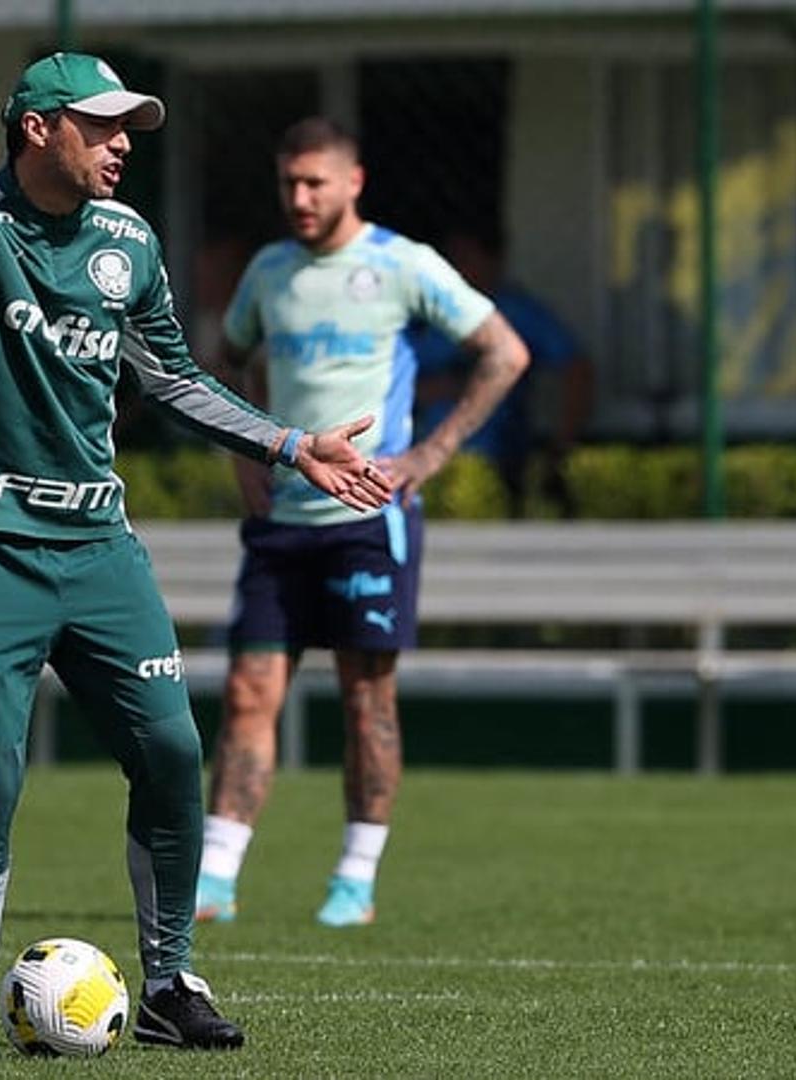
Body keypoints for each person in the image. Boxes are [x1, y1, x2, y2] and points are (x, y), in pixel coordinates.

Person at [0, 29, 394, 1056]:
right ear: (36, 129)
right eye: (103, 126)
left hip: (97, 549)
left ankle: (171, 980)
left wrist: (291, 442)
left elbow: (173, 374)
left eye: (131, 127)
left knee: (173, 753)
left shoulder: (126, 240)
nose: (125, 143)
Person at [193, 118, 528, 930]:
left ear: (354, 183)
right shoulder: (269, 272)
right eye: (288, 184)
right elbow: (226, 363)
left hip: (369, 523)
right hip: (282, 522)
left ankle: (354, 878)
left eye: (315, 182)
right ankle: (214, 878)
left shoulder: (401, 264)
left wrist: (430, 455)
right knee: (247, 691)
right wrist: (249, 460)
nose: (300, 199)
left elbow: (504, 353)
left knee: (365, 697)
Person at [411, 224, 593, 517]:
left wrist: (562, 445)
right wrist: (434, 388)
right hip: (422, 462)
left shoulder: (518, 312)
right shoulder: (428, 314)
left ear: (494, 260)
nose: (456, 270)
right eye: (450, 260)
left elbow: (576, 369)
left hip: (494, 462)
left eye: (465, 259)